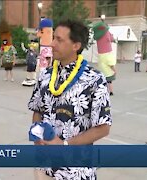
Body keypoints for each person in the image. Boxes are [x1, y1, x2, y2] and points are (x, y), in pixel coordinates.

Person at [28, 19, 111, 180]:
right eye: (53, 38)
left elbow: (103, 128)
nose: (52, 44)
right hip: (44, 167)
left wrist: (64, 145)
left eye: (59, 40)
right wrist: (37, 134)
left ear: (76, 46)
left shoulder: (94, 79)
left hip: (76, 171)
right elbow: (37, 110)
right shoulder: (45, 75)